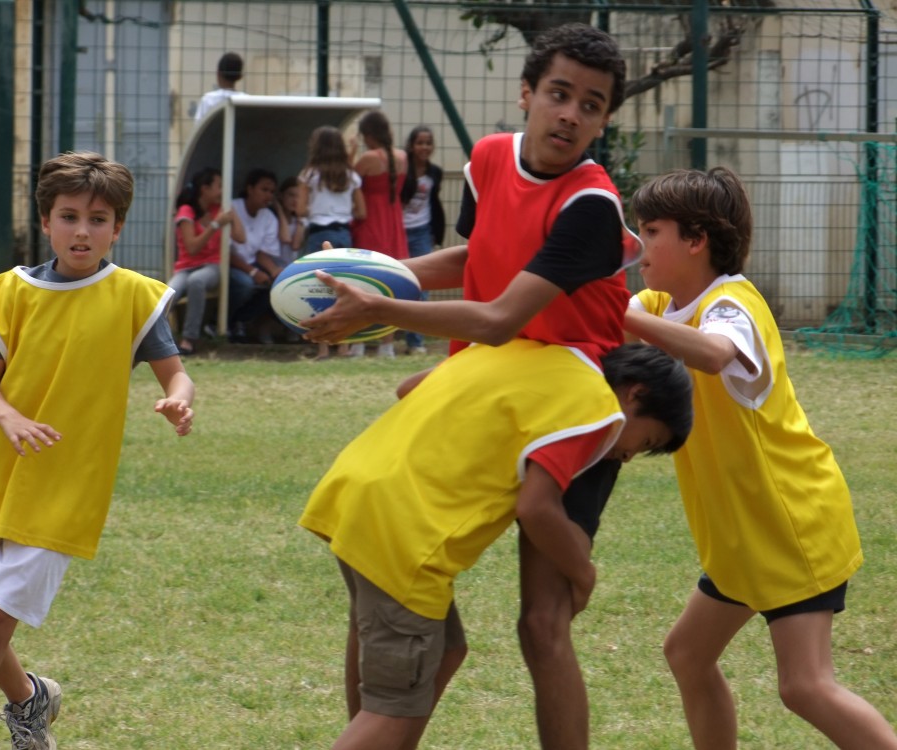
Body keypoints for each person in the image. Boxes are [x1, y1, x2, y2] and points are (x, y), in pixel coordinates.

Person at [303, 23, 640, 748]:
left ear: (604, 121)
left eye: (591, 105)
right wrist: (369, 273)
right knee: (396, 583)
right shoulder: (488, 159)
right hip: (489, 389)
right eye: (558, 94)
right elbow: (474, 256)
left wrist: (380, 308)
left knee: (542, 624)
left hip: (564, 408)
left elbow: (498, 317)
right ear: (526, 94)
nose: (570, 115)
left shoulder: (591, 205)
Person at [0, 151, 195, 750]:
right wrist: (9, 417)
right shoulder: (11, 293)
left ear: (117, 228)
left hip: (67, 484)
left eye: (98, 219)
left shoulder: (133, 297)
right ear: (45, 222)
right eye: (69, 217)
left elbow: (176, 373)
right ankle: (30, 699)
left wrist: (178, 399)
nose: (82, 231)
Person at [300, 340, 693, 750]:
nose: (628, 456)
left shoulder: (517, 350)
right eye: (646, 442)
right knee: (394, 708)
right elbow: (537, 508)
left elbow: (408, 388)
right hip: (405, 539)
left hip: (355, 495)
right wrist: (584, 574)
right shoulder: (591, 406)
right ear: (635, 393)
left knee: (445, 651)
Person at [624, 167, 897, 750]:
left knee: (805, 686)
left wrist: (618, 317)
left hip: (789, 525)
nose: (638, 243)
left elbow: (714, 353)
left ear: (696, 240)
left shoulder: (732, 305)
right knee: (687, 654)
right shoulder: (657, 304)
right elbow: (612, 324)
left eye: (650, 231)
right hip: (743, 536)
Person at [297, 125, 367, 359]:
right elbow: (361, 212)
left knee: (318, 288)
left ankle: (322, 347)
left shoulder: (309, 175)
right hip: (343, 233)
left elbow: (300, 210)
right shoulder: (351, 176)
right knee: (344, 286)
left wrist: (317, 209)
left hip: (318, 233)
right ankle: (344, 345)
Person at [349, 110, 409, 358]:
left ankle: (359, 343)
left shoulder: (368, 158)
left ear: (368, 135)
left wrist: (351, 153)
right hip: (393, 223)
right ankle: (387, 344)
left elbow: (348, 182)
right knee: (390, 285)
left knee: (361, 282)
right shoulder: (402, 157)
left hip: (370, 224)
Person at [167, 167, 245, 355]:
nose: (222, 191)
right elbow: (192, 248)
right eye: (219, 186)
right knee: (166, 295)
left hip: (211, 266)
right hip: (185, 268)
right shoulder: (187, 211)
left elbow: (241, 238)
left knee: (197, 281)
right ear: (205, 189)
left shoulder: (219, 209)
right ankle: (154, 340)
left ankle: (189, 339)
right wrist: (215, 224)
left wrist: (231, 211)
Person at [400, 125, 445, 355]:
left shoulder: (435, 172)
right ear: (411, 146)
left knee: (422, 284)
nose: (424, 147)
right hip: (399, 231)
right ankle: (385, 337)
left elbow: (434, 203)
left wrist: (436, 232)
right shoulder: (402, 170)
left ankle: (415, 341)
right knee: (396, 280)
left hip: (422, 231)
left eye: (428, 143)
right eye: (420, 143)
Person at [228, 167, 282, 344]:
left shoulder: (269, 217)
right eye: (264, 189)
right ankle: (224, 323)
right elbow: (226, 253)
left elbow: (261, 254)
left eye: (272, 192)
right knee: (245, 284)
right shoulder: (232, 208)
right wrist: (253, 272)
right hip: (229, 264)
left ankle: (240, 322)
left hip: (252, 263)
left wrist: (275, 272)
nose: (268, 195)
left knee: (275, 286)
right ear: (250, 189)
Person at [194, 51, 244, 123]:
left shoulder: (208, 100)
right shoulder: (246, 101)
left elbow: (198, 125)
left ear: (218, 73)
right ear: (240, 76)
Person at [276, 176, 305, 267]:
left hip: (291, 266)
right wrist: (279, 210)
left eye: (298, 197)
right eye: (291, 195)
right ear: (281, 196)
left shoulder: (300, 221)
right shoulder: (272, 218)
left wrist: (300, 214)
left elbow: (295, 245)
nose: (295, 200)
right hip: (275, 266)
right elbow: (286, 238)